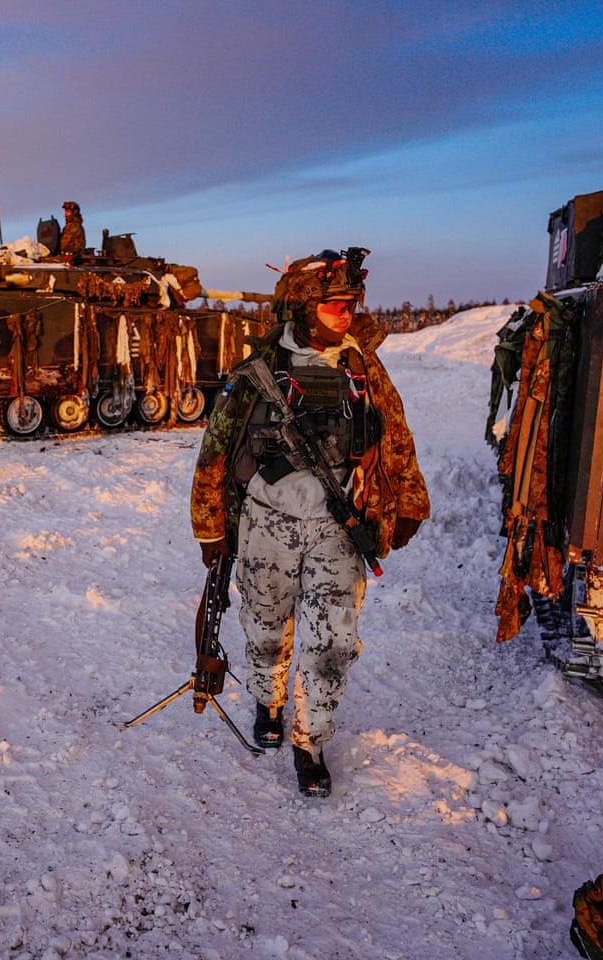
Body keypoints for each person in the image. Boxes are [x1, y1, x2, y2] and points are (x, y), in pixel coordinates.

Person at [189, 247, 430, 797]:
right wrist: (210, 525)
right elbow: (217, 447)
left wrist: (410, 502)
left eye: (350, 303)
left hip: (337, 529)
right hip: (264, 526)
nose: (346, 313)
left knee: (331, 644)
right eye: (334, 304)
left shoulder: (362, 368)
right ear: (302, 308)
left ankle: (310, 742)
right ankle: (269, 702)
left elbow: (396, 436)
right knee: (267, 630)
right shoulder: (259, 371)